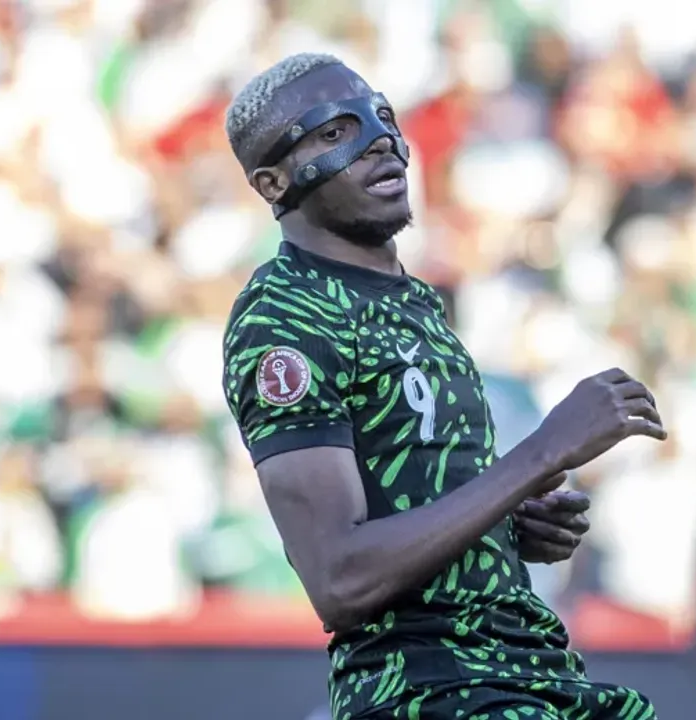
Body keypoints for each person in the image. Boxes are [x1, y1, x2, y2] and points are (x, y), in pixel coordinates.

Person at [221, 53, 666, 720]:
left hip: (528, 669)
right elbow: (341, 579)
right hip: (431, 689)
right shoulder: (284, 319)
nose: (380, 141)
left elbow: (412, 507)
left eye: (382, 117)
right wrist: (543, 452)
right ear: (273, 181)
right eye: (335, 132)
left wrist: (509, 527)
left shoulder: (416, 302)